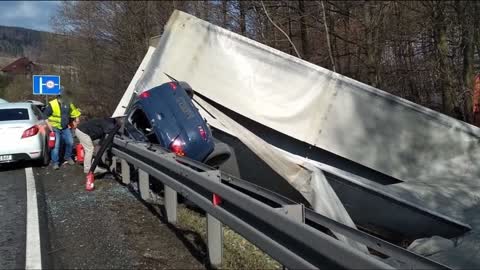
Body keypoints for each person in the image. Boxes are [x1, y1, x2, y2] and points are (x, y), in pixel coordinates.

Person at [43, 88, 81, 170]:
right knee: (56, 146)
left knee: (70, 142)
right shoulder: (52, 104)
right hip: (55, 127)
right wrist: (50, 128)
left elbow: (74, 112)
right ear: (59, 96)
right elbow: (45, 116)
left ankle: (67, 157)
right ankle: (55, 162)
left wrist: (77, 118)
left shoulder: (68, 103)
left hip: (65, 127)